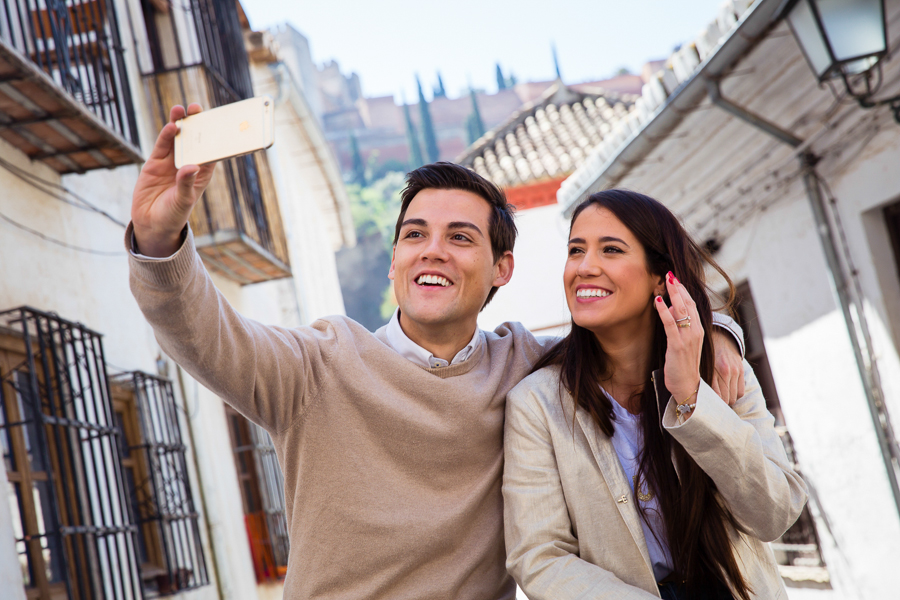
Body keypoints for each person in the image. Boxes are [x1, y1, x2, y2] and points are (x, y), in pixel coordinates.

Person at [128, 105, 748, 599]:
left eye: (460, 237)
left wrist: (719, 330)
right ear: (394, 259)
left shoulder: (526, 366)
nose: (432, 251)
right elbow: (202, 334)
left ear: (502, 268)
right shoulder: (317, 366)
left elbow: (631, 335)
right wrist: (158, 238)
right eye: (414, 235)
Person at [502, 189, 809, 600]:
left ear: (660, 276)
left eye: (611, 249)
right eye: (576, 250)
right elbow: (540, 558)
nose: (585, 266)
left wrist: (692, 400)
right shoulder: (536, 404)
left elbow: (773, 515)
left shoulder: (721, 371)